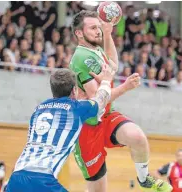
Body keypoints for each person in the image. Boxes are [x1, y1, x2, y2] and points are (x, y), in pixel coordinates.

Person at [70, 10, 172, 192]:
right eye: (93, 28)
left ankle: (144, 179)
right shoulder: (81, 57)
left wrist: (108, 34)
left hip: (107, 116)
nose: (98, 31)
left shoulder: (95, 50)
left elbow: (113, 64)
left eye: (99, 28)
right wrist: (125, 87)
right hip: (87, 126)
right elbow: (96, 102)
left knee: (138, 138)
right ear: (79, 33)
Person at [6, 66, 117, 192]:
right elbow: (101, 100)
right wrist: (106, 81)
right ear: (74, 90)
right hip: (43, 180)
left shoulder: (38, 110)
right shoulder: (77, 108)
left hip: (16, 178)